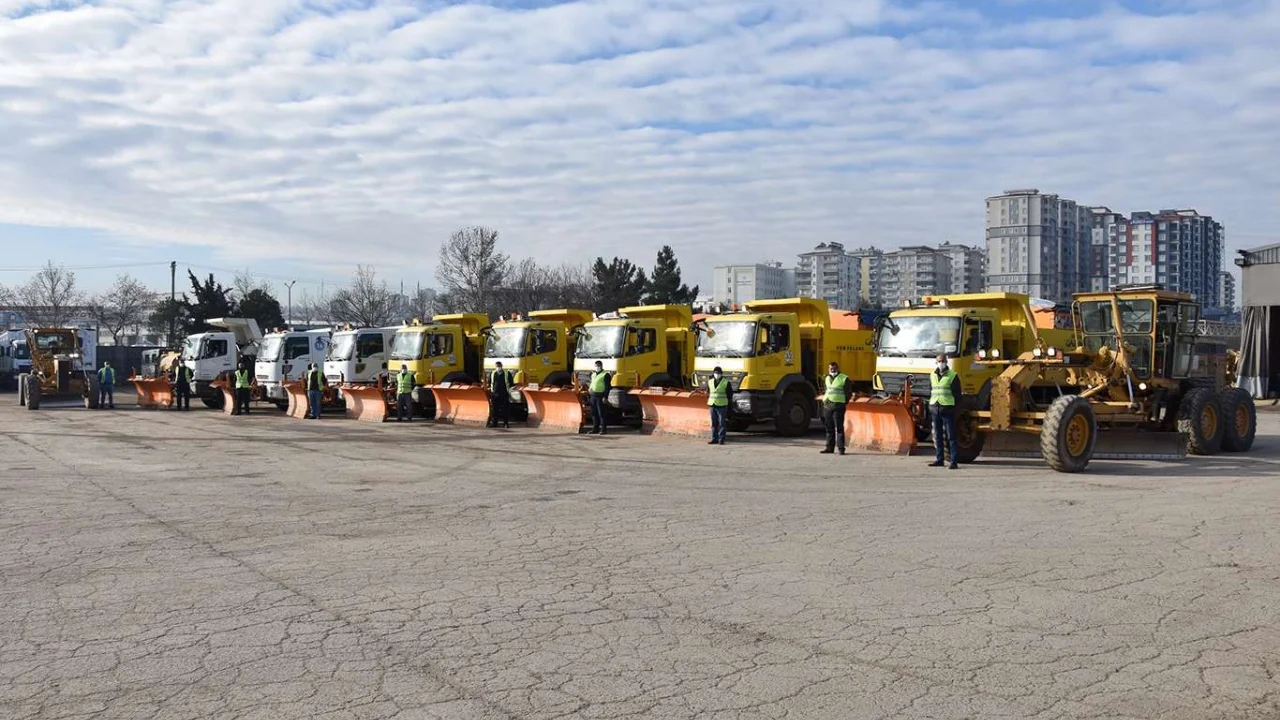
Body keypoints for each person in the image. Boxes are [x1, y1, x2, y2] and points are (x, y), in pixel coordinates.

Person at [928, 353, 961, 470]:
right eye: (939, 361)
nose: (941, 363)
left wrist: (954, 408)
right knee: (938, 436)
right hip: (935, 409)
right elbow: (930, 391)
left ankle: (954, 461)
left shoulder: (952, 376)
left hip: (947, 409)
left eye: (942, 361)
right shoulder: (932, 375)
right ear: (936, 363)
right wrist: (931, 406)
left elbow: (957, 395)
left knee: (951, 436)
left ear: (946, 362)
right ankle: (939, 459)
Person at [820, 361, 853, 455]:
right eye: (831, 369)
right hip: (828, 405)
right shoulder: (826, 378)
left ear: (837, 368)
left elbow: (848, 393)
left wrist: (844, 402)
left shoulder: (844, 378)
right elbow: (827, 390)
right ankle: (829, 448)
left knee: (839, 428)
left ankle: (841, 449)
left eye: (834, 368)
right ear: (828, 369)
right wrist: (825, 401)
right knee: (829, 428)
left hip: (838, 406)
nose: (832, 370)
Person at [706, 366, 732, 445]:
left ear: (721, 374)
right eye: (715, 373)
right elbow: (708, 392)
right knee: (714, 423)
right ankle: (714, 439)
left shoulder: (726, 382)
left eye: (718, 373)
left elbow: (729, 394)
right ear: (713, 373)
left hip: (722, 405)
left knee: (722, 423)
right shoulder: (710, 382)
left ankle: (721, 439)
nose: (717, 374)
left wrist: (728, 404)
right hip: (712, 405)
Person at [587, 360, 611, 435]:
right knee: (594, 413)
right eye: (596, 366)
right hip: (593, 395)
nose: (597, 367)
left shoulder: (605, 375)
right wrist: (589, 390)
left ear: (601, 366)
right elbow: (592, 383)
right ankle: (595, 428)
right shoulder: (593, 374)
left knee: (601, 413)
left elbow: (608, 387)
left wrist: (605, 397)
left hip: (600, 396)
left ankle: (603, 429)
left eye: (598, 366)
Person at [488, 361, 515, 429]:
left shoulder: (507, 373)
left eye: (499, 366)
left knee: (505, 409)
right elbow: (489, 382)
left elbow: (511, 383)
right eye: (497, 366)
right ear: (495, 366)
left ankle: (505, 423)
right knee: (494, 409)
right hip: (495, 394)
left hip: (504, 394)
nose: (498, 368)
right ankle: (494, 423)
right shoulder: (492, 373)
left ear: (502, 366)